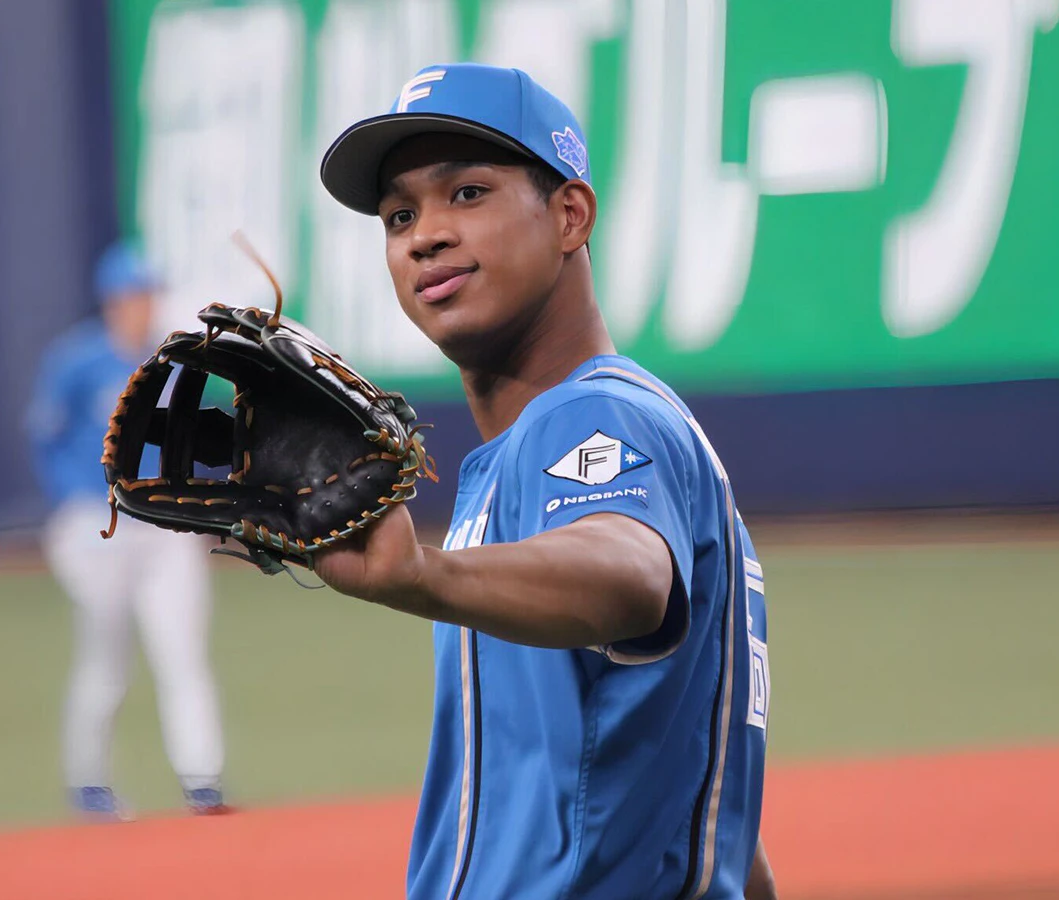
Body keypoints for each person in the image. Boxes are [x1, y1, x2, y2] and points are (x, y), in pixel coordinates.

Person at [316, 64, 777, 899]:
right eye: (400, 215)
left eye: (468, 193)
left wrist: (421, 575)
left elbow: (629, 572)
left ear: (570, 216)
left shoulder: (591, 416)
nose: (425, 236)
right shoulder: (544, 443)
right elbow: (704, 801)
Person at [26, 240, 229, 819]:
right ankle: (89, 782)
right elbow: (45, 435)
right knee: (105, 658)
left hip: (163, 526)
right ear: (113, 300)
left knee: (184, 654)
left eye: (149, 293)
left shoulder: (172, 364)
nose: (144, 304)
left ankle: (202, 782)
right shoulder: (77, 361)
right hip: (97, 526)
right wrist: (74, 503)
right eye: (135, 294)